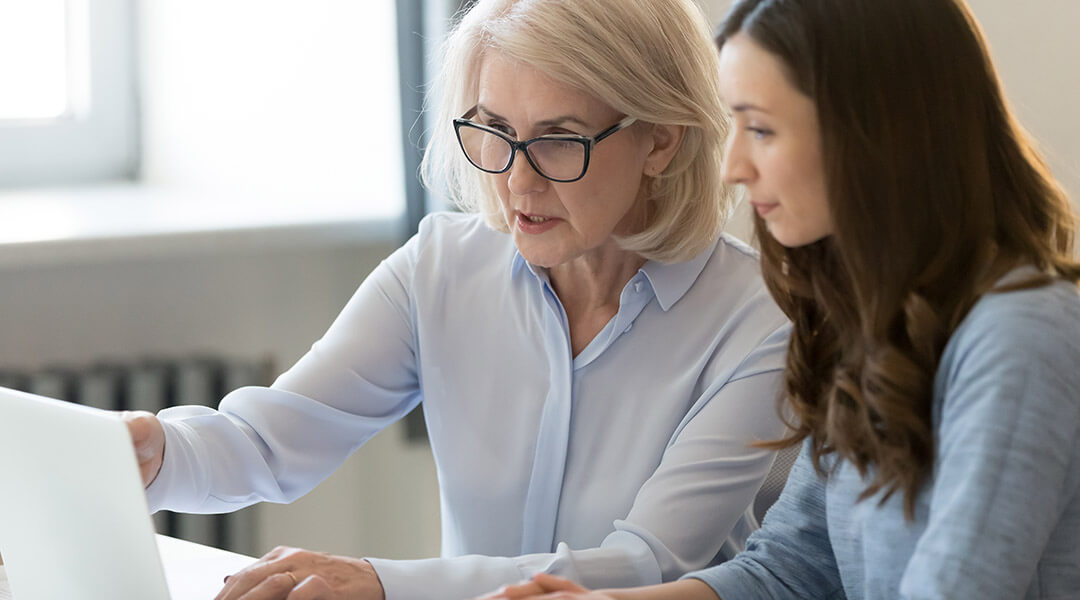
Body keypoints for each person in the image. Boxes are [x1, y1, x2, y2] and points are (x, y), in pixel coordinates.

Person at [122, 1, 792, 598]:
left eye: (558, 140)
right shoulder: (440, 267)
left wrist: (382, 584)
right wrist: (158, 450)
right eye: (494, 131)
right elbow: (268, 442)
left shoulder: (759, 322)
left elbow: (645, 563)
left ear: (660, 139)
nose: (518, 181)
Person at [481, 0, 1080, 599]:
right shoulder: (873, 326)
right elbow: (790, 569)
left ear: (875, 133)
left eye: (761, 129)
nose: (732, 168)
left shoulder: (1020, 335)